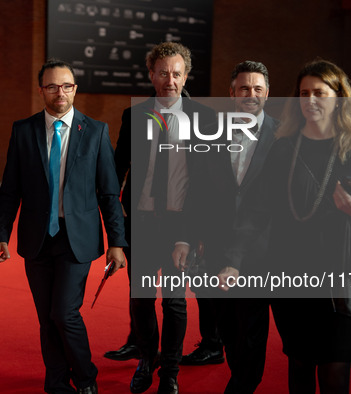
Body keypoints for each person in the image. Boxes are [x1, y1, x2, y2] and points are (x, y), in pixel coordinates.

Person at [218, 59, 351, 393]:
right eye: (304, 93)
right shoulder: (285, 148)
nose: (310, 100)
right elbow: (257, 209)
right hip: (292, 274)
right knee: (300, 365)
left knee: (334, 370)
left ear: (338, 97)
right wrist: (233, 260)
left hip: (342, 276)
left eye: (319, 93)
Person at [0, 58, 127, 394]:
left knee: (64, 312)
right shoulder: (24, 131)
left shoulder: (95, 131)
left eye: (66, 85)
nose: (60, 92)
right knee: (46, 317)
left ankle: (85, 377)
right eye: (52, 86)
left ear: (75, 89)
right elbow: (10, 189)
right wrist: (0, 234)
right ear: (41, 91)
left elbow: (109, 193)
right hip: (37, 238)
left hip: (77, 239)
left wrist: (117, 242)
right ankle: (56, 381)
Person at [114, 42, 215, 394]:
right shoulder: (135, 114)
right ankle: (147, 359)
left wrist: (197, 232)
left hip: (180, 226)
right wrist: (115, 219)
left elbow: (207, 184)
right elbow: (118, 168)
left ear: (185, 75)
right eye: (162, 72)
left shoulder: (204, 117)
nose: (169, 80)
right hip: (141, 221)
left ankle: (169, 371)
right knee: (141, 299)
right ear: (151, 74)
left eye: (176, 73)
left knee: (174, 301)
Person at [183, 61, 277, 393]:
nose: (250, 94)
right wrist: (193, 237)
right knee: (227, 323)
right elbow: (198, 191)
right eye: (244, 88)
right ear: (232, 92)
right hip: (216, 245)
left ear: (267, 92)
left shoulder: (282, 136)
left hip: (260, 249)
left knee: (251, 323)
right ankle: (241, 375)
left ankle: (242, 385)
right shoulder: (211, 132)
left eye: (257, 88)